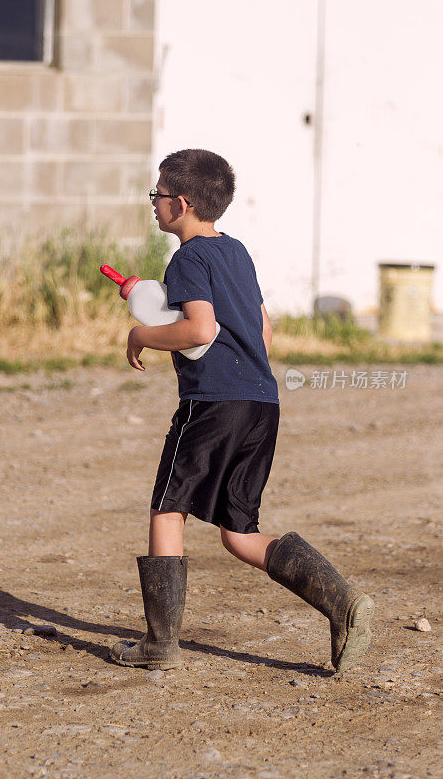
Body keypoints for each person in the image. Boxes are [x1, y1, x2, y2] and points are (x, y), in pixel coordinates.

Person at [110, 149, 374, 673]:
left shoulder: (186, 259)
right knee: (240, 532)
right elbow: (264, 332)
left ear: (181, 203)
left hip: (212, 406)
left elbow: (200, 330)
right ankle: (342, 603)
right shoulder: (237, 253)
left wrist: (142, 332)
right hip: (261, 403)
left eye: (158, 195)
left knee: (168, 507)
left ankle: (161, 645)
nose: (154, 203)